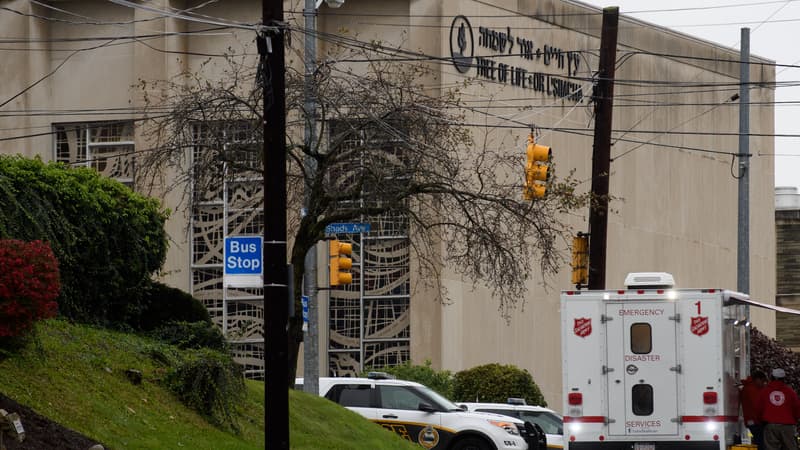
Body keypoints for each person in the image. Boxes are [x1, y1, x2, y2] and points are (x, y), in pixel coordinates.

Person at [758, 368, 800, 450]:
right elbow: (797, 408)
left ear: (771, 377)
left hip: (770, 425)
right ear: (784, 379)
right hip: (787, 426)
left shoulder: (764, 391)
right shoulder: (790, 392)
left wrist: (761, 420)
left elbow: (758, 408)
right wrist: (793, 420)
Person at [741, 369, 769, 449]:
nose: (764, 383)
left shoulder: (749, 387)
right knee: (761, 443)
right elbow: (758, 405)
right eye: (763, 381)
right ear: (757, 379)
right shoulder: (752, 389)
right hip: (756, 420)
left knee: (759, 442)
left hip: (752, 420)